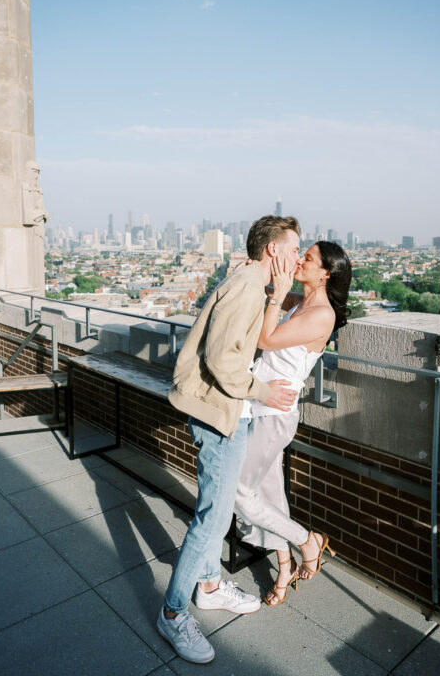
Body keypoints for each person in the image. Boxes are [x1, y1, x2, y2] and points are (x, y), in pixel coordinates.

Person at [157, 215, 302, 665]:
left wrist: (277, 295)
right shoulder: (245, 286)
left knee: (214, 516)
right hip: (220, 417)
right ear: (274, 251)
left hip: (223, 412)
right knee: (211, 523)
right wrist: (264, 391)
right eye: (295, 249)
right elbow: (222, 359)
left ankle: (210, 586)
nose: (298, 257)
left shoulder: (249, 282)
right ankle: (172, 612)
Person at [233, 240, 352, 605]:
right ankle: (284, 567)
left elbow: (266, 338)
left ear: (325, 273)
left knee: (237, 490)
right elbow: (260, 300)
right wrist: (252, 273)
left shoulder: (322, 313)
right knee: (270, 495)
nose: (301, 260)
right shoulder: (301, 301)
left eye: (309, 258)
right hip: (259, 406)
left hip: (276, 415)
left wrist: (276, 294)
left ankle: (306, 540)